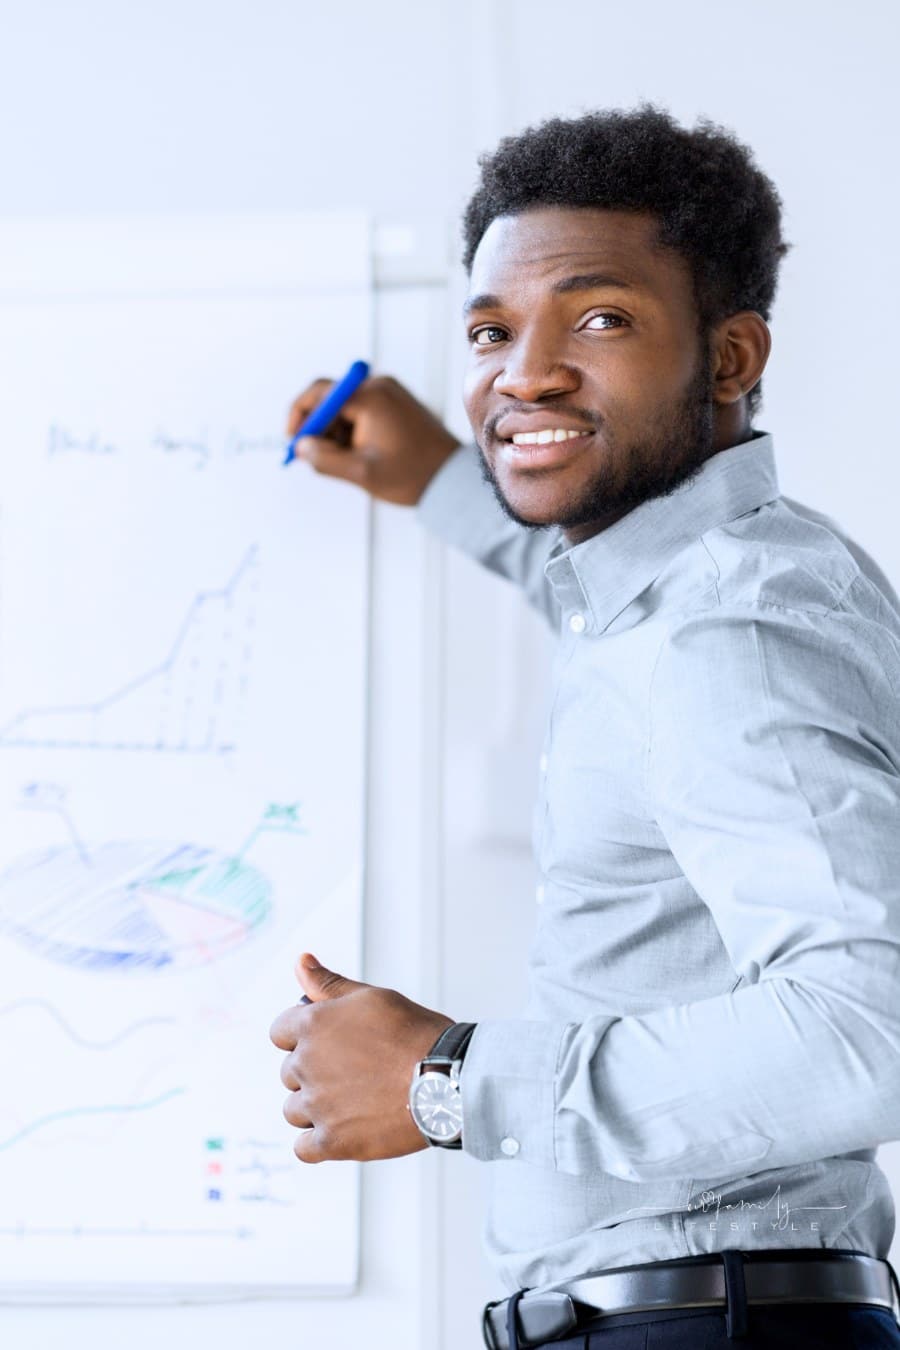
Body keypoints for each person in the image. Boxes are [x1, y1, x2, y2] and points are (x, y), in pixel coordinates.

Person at [269, 104, 900, 1348]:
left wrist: (446, 1082)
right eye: (492, 331)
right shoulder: (716, 577)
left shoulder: (728, 636)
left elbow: (870, 1026)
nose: (524, 373)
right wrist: (444, 480)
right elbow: (617, 619)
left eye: (599, 319)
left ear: (729, 359)